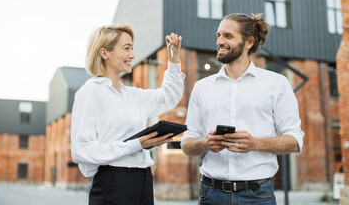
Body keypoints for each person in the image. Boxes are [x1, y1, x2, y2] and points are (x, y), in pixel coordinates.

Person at [181, 13, 304, 205]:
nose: (219, 41)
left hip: (257, 196)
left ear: (248, 42)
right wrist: (205, 143)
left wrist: (254, 143)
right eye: (218, 35)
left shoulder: (276, 83)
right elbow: (187, 143)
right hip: (210, 195)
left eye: (228, 36)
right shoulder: (202, 87)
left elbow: (295, 140)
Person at [70, 25, 184, 205]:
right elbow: (81, 150)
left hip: (144, 179)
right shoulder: (89, 93)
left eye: (132, 48)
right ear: (104, 53)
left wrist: (174, 60)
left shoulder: (134, 95)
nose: (132, 55)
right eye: (127, 48)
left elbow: (170, 96)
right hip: (113, 182)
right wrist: (136, 144)